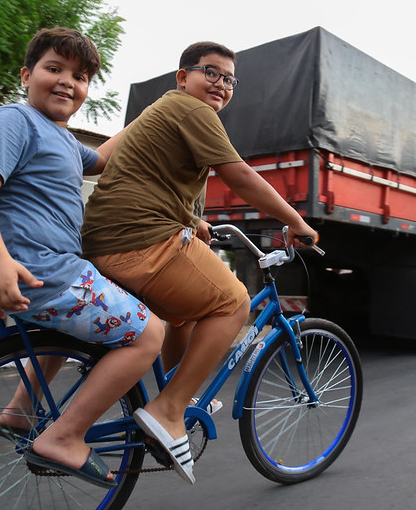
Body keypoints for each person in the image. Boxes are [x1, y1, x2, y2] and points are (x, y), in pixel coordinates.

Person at [80, 41, 318, 484]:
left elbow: (115, 165)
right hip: (140, 238)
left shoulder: (159, 111)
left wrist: (192, 219)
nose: (221, 85)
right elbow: (240, 175)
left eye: (229, 79)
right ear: (182, 77)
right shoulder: (195, 112)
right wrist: (297, 221)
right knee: (233, 304)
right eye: (211, 72)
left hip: (105, 236)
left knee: (183, 314)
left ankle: (177, 392)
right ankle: (169, 410)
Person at [0, 27, 165, 489]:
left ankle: (19, 411)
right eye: (55, 69)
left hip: (40, 273)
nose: (68, 81)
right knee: (150, 334)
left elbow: (104, 159)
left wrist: (153, 115)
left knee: (63, 331)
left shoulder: (63, 140)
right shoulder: (12, 120)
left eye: (82, 76)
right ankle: (65, 437)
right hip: (39, 269)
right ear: (27, 75)